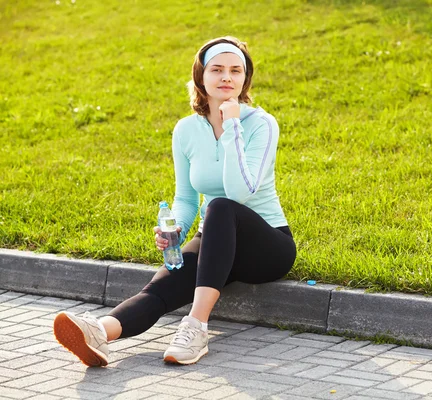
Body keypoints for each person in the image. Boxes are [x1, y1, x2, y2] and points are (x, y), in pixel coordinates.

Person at [53, 36, 297, 366]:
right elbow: (185, 196)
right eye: (218, 69)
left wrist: (232, 127)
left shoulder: (261, 125)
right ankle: (100, 332)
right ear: (201, 77)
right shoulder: (185, 130)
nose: (227, 77)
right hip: (217, 241)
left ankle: (196, 328)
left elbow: (240, 192)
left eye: (236, 71)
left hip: (267, 246)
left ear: (245, 79)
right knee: (167, 281)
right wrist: (177, 229)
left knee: (221, 206)